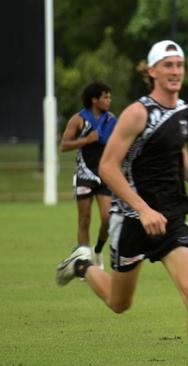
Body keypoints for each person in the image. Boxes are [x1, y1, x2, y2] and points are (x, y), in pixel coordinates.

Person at [55, 40, 188, 366]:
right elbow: (107, 166)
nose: (175, 71)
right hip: (131, 219)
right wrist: (143, 208)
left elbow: (178, 151)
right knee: (119, 303)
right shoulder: (137, 114)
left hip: (172, 217)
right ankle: (82, 265)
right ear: (152, 71)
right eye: (168, 65)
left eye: (179, 65)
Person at [59, 81, 117, 270]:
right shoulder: (79, 119)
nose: (109, 100)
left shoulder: (112, 120)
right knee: (84, 219)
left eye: (109, 96)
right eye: (105, 97)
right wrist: (86, 140)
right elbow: (63, 145)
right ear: (94, 100)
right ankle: (84, 264)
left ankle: (98, 249)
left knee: (108, 218)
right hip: (84, 173)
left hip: (105, 174)